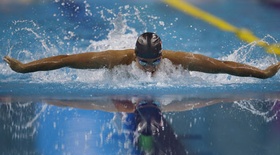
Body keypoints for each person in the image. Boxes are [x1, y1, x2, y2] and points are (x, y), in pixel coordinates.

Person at [3, 32, 280, 78]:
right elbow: (65, 60)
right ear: (134, 56)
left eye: (155, 61)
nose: (150, 68)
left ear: (163, 55)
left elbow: (223, 67)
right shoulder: (116, 59)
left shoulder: (179, 61)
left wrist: (262, 73)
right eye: (144, 62)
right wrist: (24, 68)